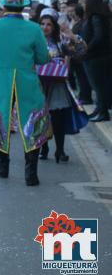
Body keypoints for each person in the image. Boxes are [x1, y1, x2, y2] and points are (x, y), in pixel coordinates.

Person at [0, 0, 50, 186]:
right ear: (23, 6)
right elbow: (43, 58)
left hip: (2, 79)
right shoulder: (34, 28)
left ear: (5, 5)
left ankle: (2, 167)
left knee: (1, 119)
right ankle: (31, 173)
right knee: (31, 119)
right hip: (27, 78)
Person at [37, 11, 88, 163]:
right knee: (41, 118)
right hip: (38, 85)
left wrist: (73, 36)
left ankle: (60, 150)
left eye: (49, 25)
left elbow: (82, 51)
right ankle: (43, 148)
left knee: (58, 119)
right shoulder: (33, 42)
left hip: (58, 85)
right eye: (42, 24)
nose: (45, 27)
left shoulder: (61, 42)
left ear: (54, 27)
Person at [82, 0, 112, 122]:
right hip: (97, 56)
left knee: (99, 86)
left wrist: (87, 48)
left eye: (85, 1)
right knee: (98, 85)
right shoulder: (97, 17)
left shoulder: (96, 17)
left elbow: (98, 37)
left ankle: (103, 112)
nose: (83, 4)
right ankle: (100, 109)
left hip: (96, 57)